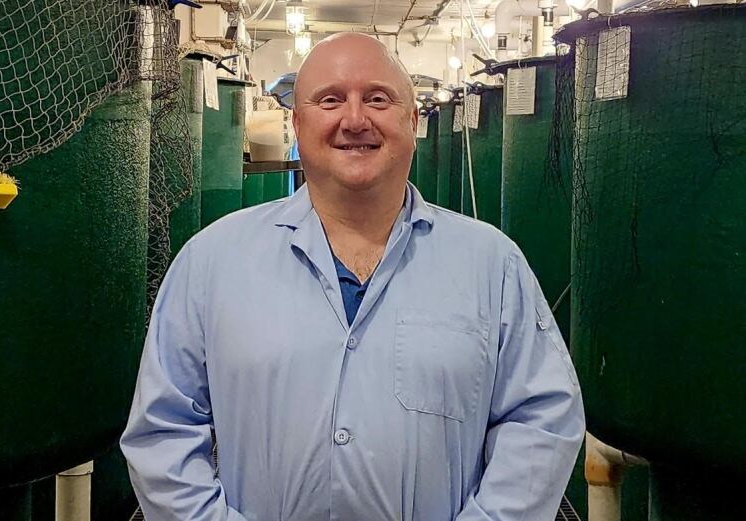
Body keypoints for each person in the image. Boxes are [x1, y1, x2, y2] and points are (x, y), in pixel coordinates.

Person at [121, 33, 585, 521]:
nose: (355, 119)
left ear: (413, 120)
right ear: (297, 123)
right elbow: (163, 431)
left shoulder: (492, 263)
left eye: (378, 99)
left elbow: (541, 420)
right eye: (330, 100)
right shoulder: (212, 261)